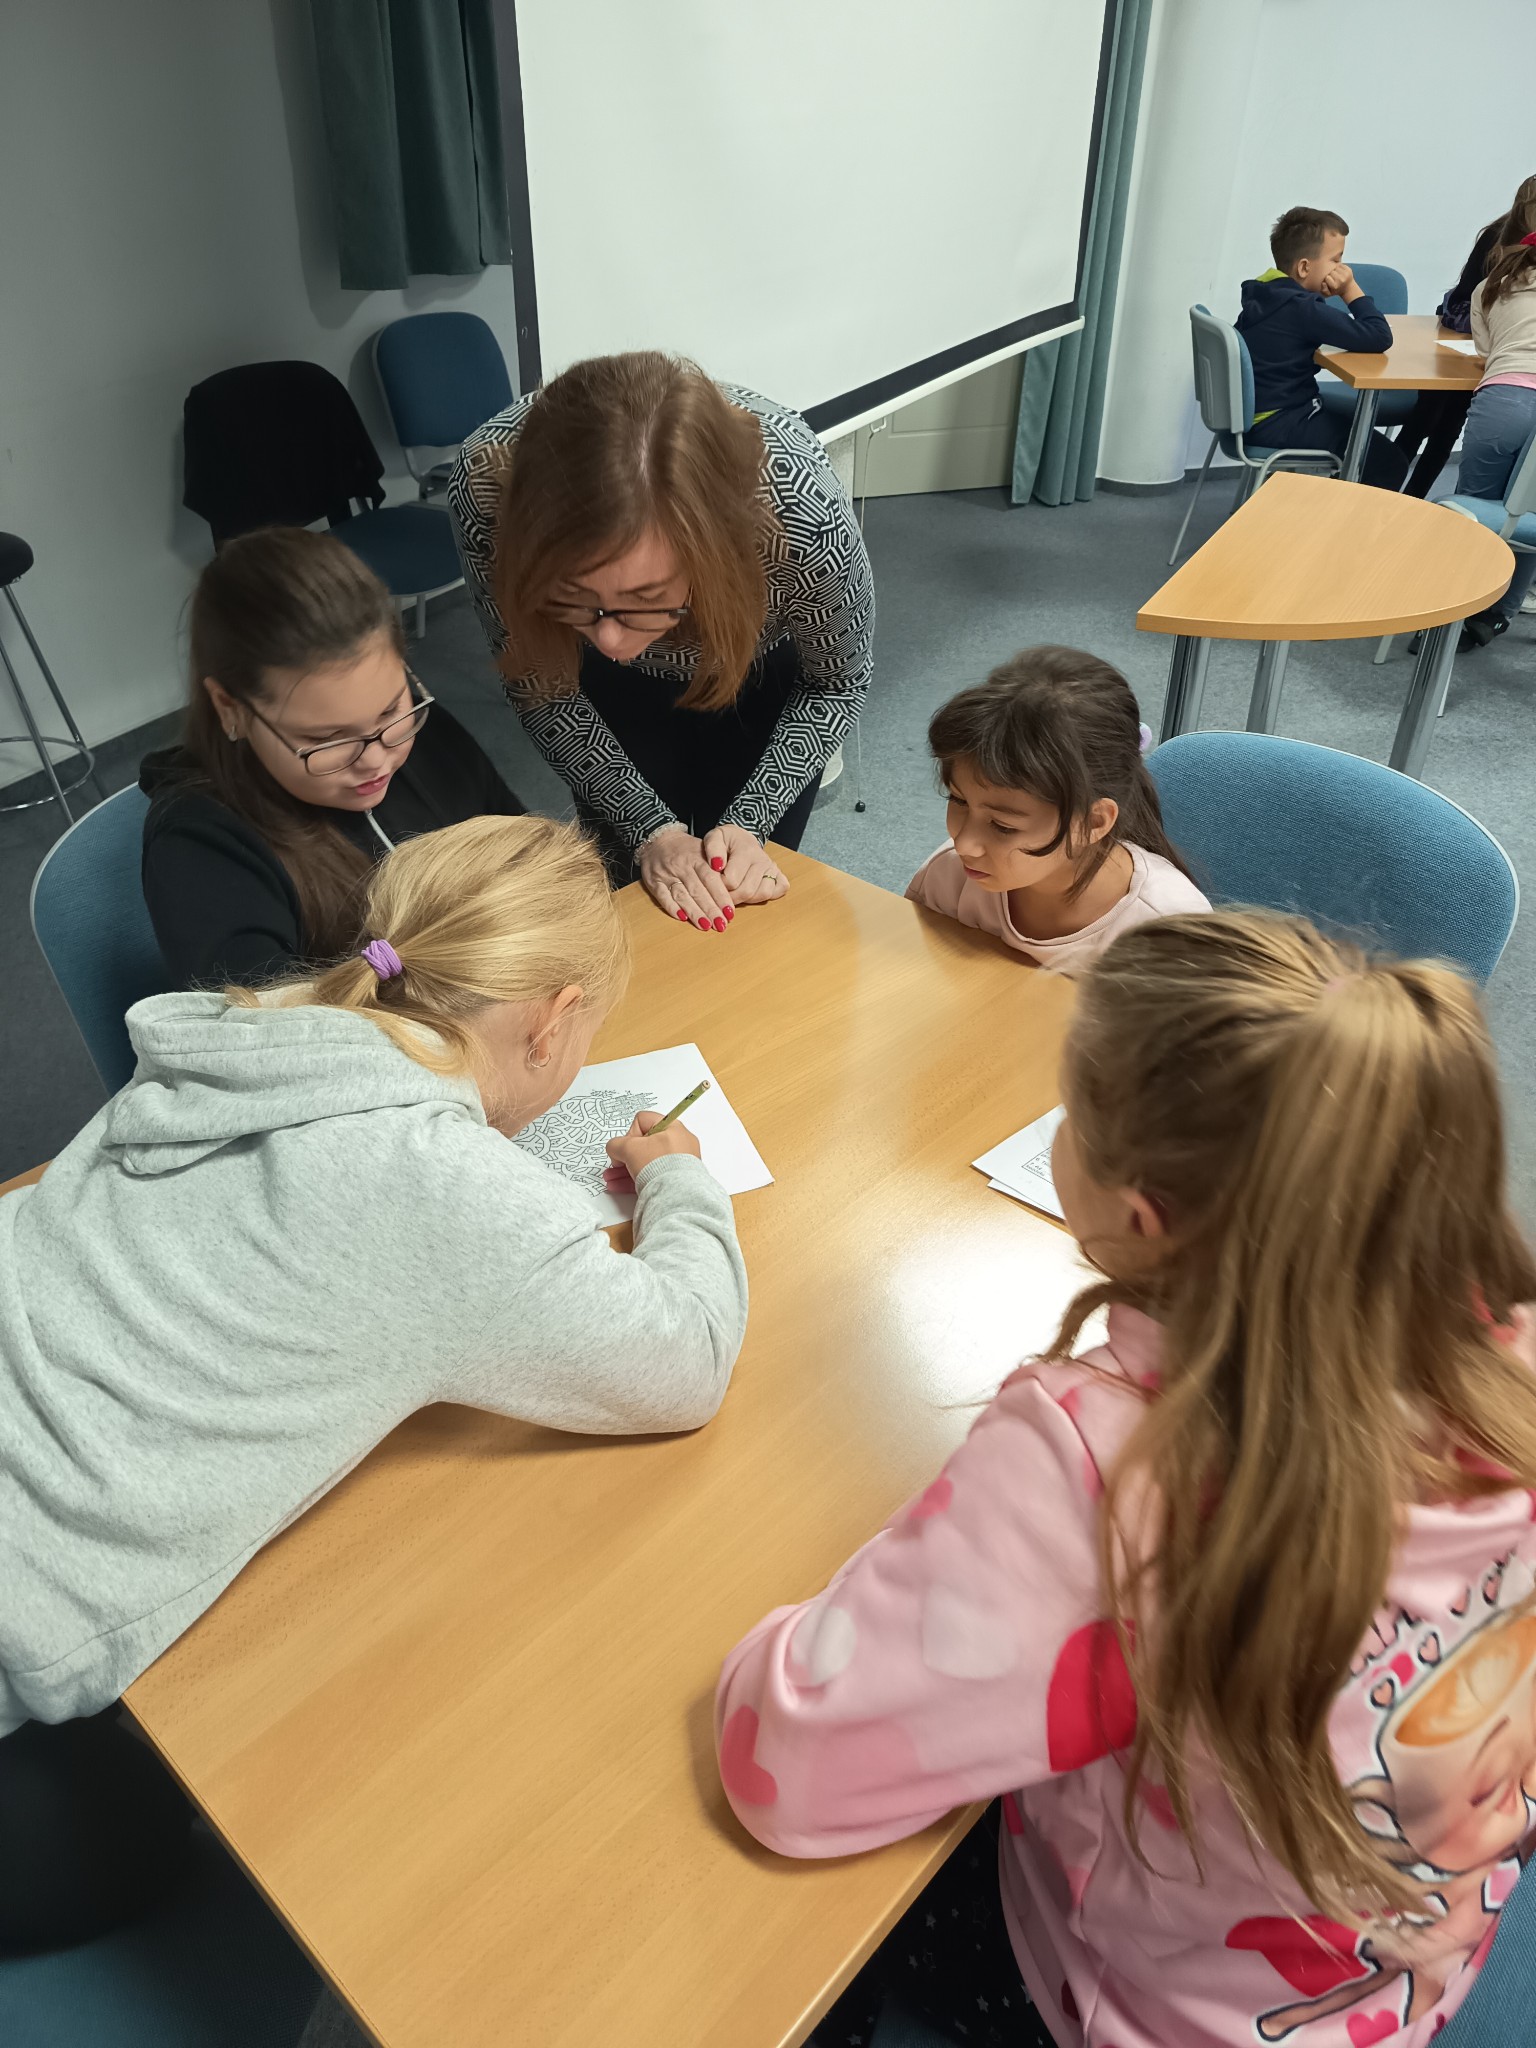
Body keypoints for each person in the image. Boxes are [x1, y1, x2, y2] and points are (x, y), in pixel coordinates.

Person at [717, 909, 1536, 2048]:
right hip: (1404, 1962)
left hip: (1144, 2010)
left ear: (1139, 1221)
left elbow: (787, 1766)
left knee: (772, 1962)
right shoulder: (1512, 1352)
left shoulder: (1105, 1469)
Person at [0, 813, 747, 1948]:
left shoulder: (248, 1026)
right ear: (551, 1023)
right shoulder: (444, 1187)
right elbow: (686, 1359)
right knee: (192, 1837)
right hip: (23, 1622)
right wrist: (681, 1185)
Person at [448, 352, 875, 929]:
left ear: (712, 550)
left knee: (743, 888)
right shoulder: (488, 488)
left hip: (754, 672)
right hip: (606, 696)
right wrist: (651, 829)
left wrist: (749, 822)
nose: (612, 642)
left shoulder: (799, 513)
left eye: (644, 598)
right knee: (632, 884)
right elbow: (542, 685)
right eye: (571, 596)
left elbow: (836, 683)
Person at [141, 527, 526, 988]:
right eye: (327, 738)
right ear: (230, 708)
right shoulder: (202, 847)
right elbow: (271, 1025)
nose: (375, 760)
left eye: (390, 709)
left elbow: (526, 855)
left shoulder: (422, 733)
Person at [904, 647, 1208, 972]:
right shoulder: (948, 878)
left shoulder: (1170, 935)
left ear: (1093, 822)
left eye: (1003, 826)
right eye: (958, 800)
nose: (963, 844)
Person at [1236, 206, 1408, 489]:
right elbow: (1379, 337)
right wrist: (1350, 290)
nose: (1342, 270)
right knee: (1388, 461)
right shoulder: (1303, 309)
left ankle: (1332, 501)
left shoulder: (1265, 292)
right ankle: (1340, 516)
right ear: (1304, 267)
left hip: (1259, 416)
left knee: (1356, 433)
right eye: (1336, 260)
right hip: (1281, 421)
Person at [1397, 177, 1536, 498]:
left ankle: (1413, 500)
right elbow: (1461, 303)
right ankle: (1390, 498)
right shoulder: (1497, 238)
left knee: (1448, 430)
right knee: (1426, 420)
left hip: (1496, 371)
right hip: (1468, 351)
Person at [1450, 186, 1536, 651]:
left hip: (1504, 398)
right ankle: (1497, 616)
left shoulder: (1492, 287)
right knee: (1527, 516)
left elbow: (1484, 348)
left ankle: (1452, 610)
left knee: (1473, 509)